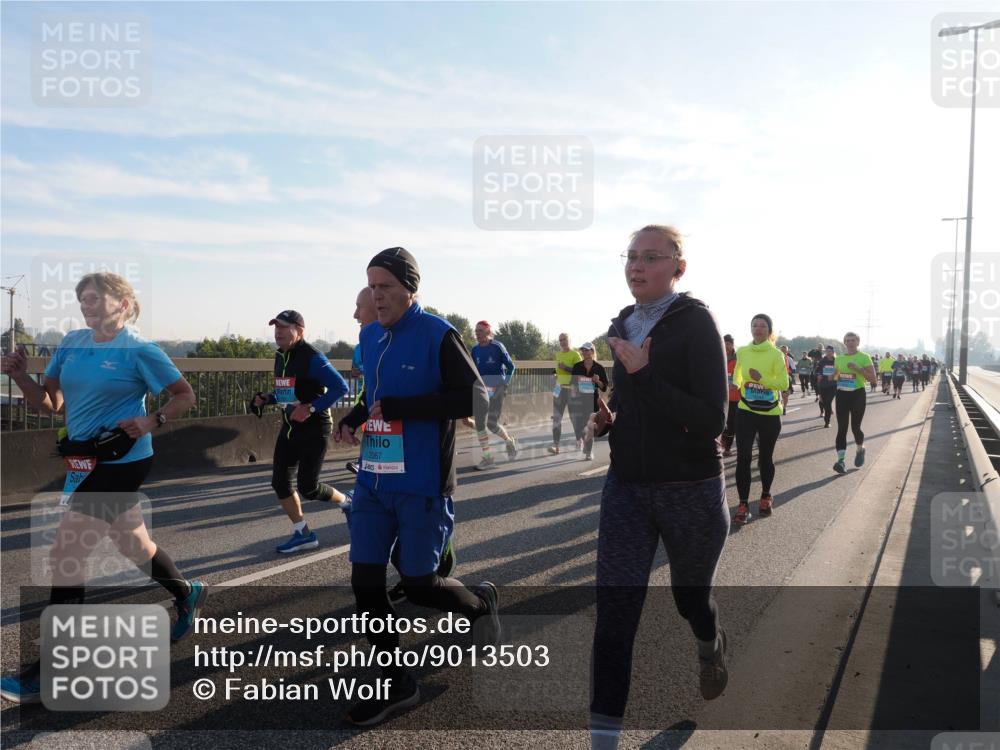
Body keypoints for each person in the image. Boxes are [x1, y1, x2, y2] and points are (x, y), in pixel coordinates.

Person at [0, 272, 204, 704]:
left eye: (94, 299)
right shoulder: (72, 343)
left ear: (124, 305)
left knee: (66, 553)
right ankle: (187, 593)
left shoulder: (140, 351)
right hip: (83, 461)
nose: (86, 306)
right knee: (133, 544)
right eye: (82, 300)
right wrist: (20, 376)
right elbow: (51, 405)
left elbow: (184, 394)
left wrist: (152, 420)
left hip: (124, 460)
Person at [334, 247, 500, 726]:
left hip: (423, 481)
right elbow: (377, 394)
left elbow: (475, 399)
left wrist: (407, 408)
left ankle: (479, 604)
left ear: (410, 289)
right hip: (373, 480)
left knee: (420, 584)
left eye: (386, 287)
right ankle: (397, 682)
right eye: (372, 285)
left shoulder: (437, 334)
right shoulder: (370, 334)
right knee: (365, 584)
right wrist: (356, 415)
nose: (377, 295)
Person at [590, 225, 730, 750]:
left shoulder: (696, 323)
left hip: (689, 488)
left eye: (650, 257)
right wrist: (612, 420)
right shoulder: (622, 323)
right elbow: (636, 403)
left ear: (678, 267)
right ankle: (603, 742)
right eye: (630, 256)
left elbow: (712, 418)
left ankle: (709, 641)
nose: (636, 266)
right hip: (627, 486)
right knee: (615, 615)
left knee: (689, 597)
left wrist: (646, 375)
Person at [251, 310, 350, 553]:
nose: (278, 331)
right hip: (289, 428)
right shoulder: (280, 356)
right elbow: (288, 394)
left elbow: (341, 387)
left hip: (315, 428)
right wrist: (268, 398)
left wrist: (311, 407)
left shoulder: (312, 357)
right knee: (280, 483)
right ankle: (303, 532)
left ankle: (348, 502)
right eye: (276, 327)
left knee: (309, 487)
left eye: (284, 327)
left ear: (300, 331)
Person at [732, 314, 789, 525]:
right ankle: (743, 504)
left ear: (769, 330)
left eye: (762, 326)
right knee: (743, 457)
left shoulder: (775, 354)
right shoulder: (743, 351)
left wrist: (760, 379)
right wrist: (737, 384)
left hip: (770, 414)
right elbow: (739, 371)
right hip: (746, 410)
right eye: (754, 325)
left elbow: (783, 383)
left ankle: (765, 496)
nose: (758, 329)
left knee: (765, 457)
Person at [469, 320, 518, 469]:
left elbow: (511, 367)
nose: (477, 333)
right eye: (476, 331)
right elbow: (473, 370)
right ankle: (488, 458)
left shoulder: (497, 346)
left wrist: (505, 384)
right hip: (481, 390)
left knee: (491, 424)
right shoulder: (475, 349)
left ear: (488, 332)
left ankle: (509, 441)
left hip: (497, 389)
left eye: (480, 331)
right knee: (479, 423)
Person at [831, 332, 876, 474]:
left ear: (858, 342)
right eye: (847, 340)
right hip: (842, 394)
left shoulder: (864, 357)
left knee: (855, 428)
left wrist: (858, 368)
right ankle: (840, 461)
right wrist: (832, 376)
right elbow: (836, 376)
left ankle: (860, 449)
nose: (850, 343)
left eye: (853, 340)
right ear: (844, 342)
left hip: (857, 394)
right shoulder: (839, 359)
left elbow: (873, 379)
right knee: (842, 428)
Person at [346, 287, 377, 474]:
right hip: (366, 394)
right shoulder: (364, 343)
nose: (355, 315)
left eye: (359, 307)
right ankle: (364, 465)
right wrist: (349, 422)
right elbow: (354, 368)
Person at [569, 341, 608, 460]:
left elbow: (604, 387)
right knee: (579, 426)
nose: (585, 352)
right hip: (579, 401)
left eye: (587, 350)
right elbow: (573, 384)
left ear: (592, 351)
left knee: (590, 426)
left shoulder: (599, 368)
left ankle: (588, 451)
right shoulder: (577, 366)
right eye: (583, 350)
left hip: (592, 401)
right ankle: (584, 442)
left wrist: (598, 381)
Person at [548, 333, 583, 454]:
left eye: (564, 339)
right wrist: (554, 375)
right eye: (560, 340)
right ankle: (556, 446)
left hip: (572, 390)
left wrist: (566, 368)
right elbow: (558, 370)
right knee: (556, 418)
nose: (562, 342)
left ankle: (579, 440)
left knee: (574, 418)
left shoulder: (575, 354)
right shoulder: (558, 354)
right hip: (559, 389)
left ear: (569, 340)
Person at [721, 334, 740, 457]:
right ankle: (722, 445)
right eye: (725, 343)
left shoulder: (738, 360)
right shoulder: (718, 357)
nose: (726, 346)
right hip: (721, 397)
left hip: (735, 398)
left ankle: (727, 448)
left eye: (729, 344)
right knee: (722, 423)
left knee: (731, 423)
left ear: (732, 345)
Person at [815, 345, 838, 426]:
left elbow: (840, 371)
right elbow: (816, 370)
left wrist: (836, 376)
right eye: (827, 351)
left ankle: (827, 422)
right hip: (823, 385)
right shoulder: (822, 361)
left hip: (833, 385)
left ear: (833, 352)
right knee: (824, 403)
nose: (828, 353)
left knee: (828, 403)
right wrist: (818, 375)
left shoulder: (837, 361)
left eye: (830, 351)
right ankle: (827, 412)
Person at [779, 344, 794, 413]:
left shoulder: (789, 359)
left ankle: (784, 408)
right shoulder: (775, 358)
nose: (783, 352)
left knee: (785, 395)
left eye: (784, 351)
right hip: (777, 378)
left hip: (786, 377)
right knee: (779, 394)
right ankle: (780, 405)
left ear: (787, 352)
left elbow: (793, 369)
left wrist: (789, 373)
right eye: (781, 350)